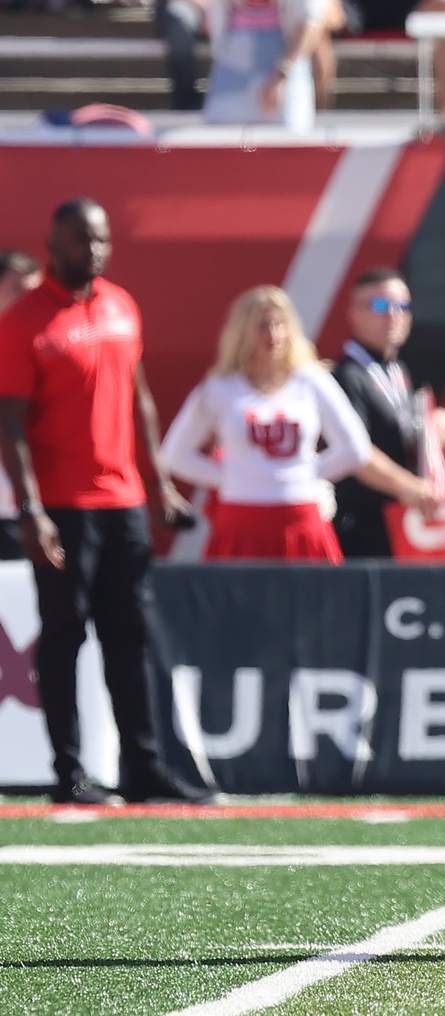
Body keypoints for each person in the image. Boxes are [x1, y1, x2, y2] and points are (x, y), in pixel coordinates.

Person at [0, 198, 211, 806]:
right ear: (53, 242)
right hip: (63, 504)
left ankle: (142, 768)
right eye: (80, 240)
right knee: (64, 634)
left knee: (130, 634)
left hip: (124, 501)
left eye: (100, 241)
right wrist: (31, 508)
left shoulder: (121, 305)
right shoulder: (23, 321)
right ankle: (69, 773)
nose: (92, 251)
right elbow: (9, 424)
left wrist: (161, 481)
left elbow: (139, 397)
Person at [160, 285, 430, 562]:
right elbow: (174, 455)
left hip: (301, 519)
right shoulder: (220, 388)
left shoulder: (312, 380)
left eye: (280, 325)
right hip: (240, 520)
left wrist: (304, 473)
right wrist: (232, 476)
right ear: (243, 332)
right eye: (262, 326)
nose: (273, 335)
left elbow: (355, 449)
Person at [331, 267, 445, 559]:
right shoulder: (348, 376)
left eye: (402, 306)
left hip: (400, 528)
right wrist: (411, 487)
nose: (393, 315)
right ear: (354, 314)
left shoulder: (397, 369)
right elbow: (356, 452)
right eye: (379, 306)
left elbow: (398, 431)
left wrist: (433, 425)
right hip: (361, 531)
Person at [202, 0, 328, 133]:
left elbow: (311, 22)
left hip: (285, 68)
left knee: (290, 142)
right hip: (231, 64)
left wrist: (282, 73)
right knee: (220, 140)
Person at [345, 0, 445, 120]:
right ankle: (323, 129)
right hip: (351, 6)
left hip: (410, 8)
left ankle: (441, 123)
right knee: (323, 10)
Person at [0, 251, 42, 560]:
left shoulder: (51, 356)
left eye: (34, 293)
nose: (27, 302)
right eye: (17, 290)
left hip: (30, 516)